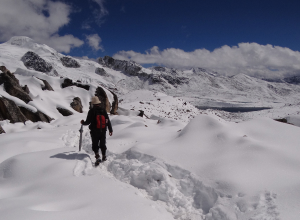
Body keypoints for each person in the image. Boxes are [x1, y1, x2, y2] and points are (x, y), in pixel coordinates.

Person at [81, 96, 113, 163]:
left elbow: (88, 122)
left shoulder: (91, 111)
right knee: (102, 143)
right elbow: (107, 120)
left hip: (94, 131)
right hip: (103, 130)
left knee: (95, 144)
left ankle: (97, 156)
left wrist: (83, 123)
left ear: (93, 103)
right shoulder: (103, 110)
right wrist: (110, 129)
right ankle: (104, 156)